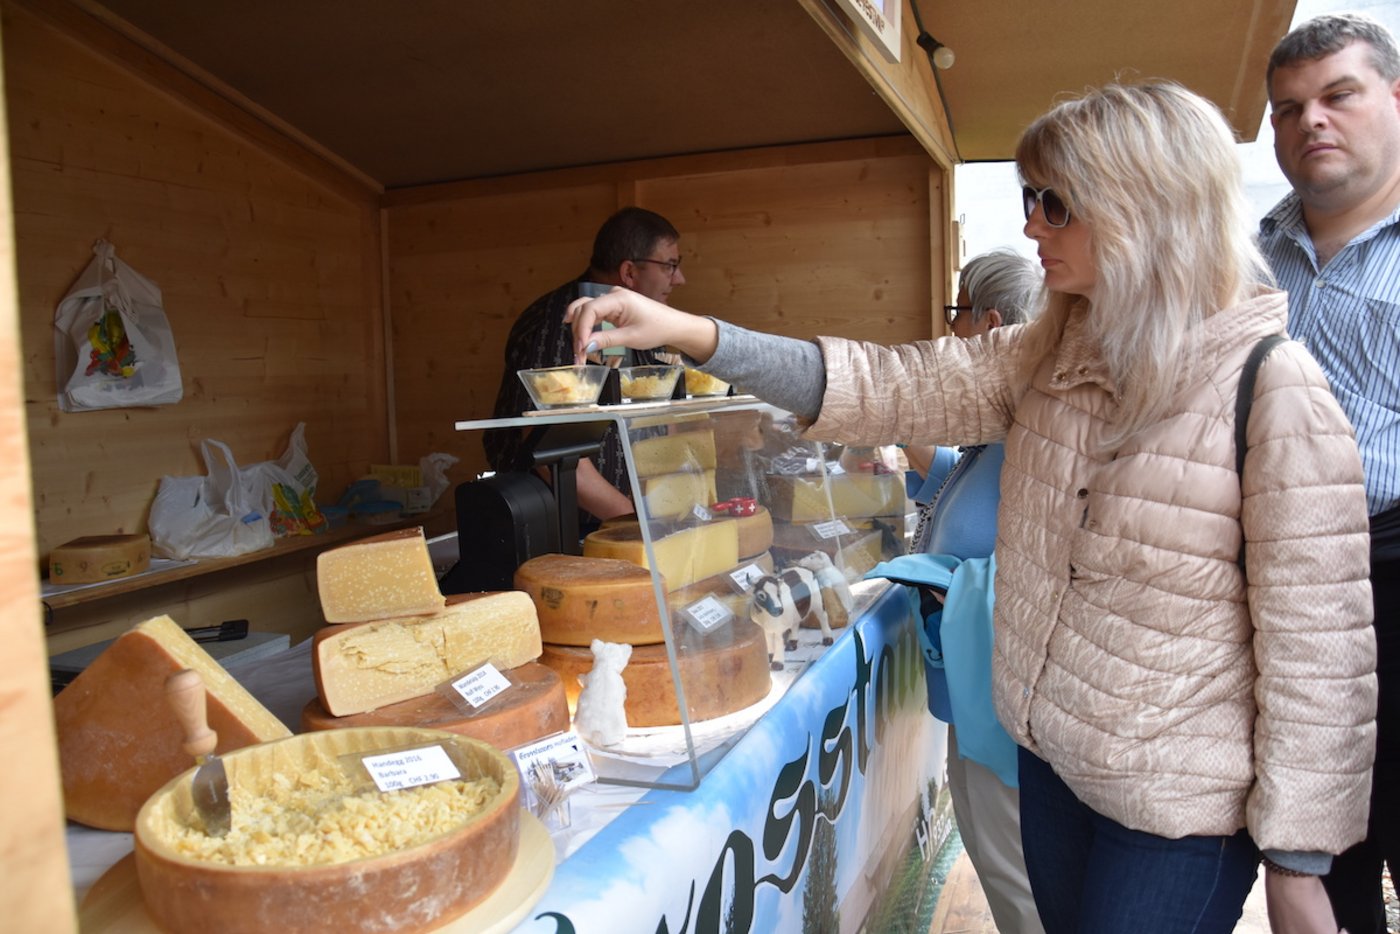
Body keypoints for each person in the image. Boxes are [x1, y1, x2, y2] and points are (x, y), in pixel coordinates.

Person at [567, 82, 1377, 934]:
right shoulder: (1047, 355)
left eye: (1055, 204)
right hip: (1052, 769)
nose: (1031, 228)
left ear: (1143, 208)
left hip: (1175, 815)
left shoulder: (1273, 389)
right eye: (1031, 200)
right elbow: (880, 384)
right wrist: (693, 333)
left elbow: (1320, 651)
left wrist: (1299, 860)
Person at [1260, 13, 1400, 934]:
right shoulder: (1246, 260)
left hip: (1393, 567)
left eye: (1338, 95)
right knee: (1323, 868)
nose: (1311, 119)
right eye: (1288, 108)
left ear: (1395, 97)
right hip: (1282, 596)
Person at [903, 247, 1044, 934]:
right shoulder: (1001, 414)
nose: (949, 331)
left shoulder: (1035, 421)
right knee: (992, 849)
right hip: (974, 683)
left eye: (956, 313)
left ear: (988, 323)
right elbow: (964, 493)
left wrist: (951, 591)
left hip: (1003, 694)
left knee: (1016, 866)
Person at [484, 206, 685, 531]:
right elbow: (550, 447)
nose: (679, 278)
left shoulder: (645, 324)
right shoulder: (559, 323)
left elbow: (662, 421)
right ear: (629, 272)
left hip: (636, 526)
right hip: (569, 536)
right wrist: (637, 525)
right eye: (670, 266)